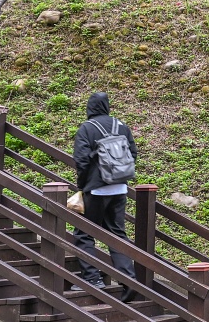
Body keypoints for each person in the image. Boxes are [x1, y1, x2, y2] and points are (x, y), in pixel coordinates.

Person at [72, 91, 139, 302]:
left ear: (90, 107)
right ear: (107, 106)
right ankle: (129, 281)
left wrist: (83, 186)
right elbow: (133, 154)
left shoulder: (87, 128)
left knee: (84, 233)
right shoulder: (121, 126)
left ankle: (93, 279)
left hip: (96, 190)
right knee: (117, 234)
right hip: (119, 189)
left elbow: (81, 161)